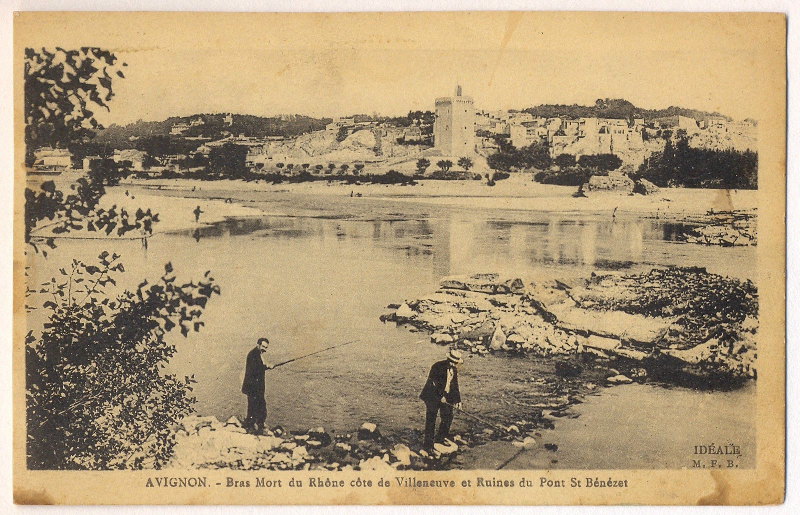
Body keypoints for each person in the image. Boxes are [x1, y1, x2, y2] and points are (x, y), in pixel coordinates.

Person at [419, 349, 463, 449]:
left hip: (445, 396)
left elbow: (455, 386)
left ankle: (441, 438)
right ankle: (428, 444)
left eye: (455, 363)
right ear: (448, 359)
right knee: (431, 419)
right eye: (452, 361)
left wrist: (458, 401)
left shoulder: (454, 370)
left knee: (448, 416)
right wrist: (440, 396)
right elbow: (434, 383)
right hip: (432, 396)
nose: (453, 364)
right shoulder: (437, 367)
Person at [241, 337, 273, 434]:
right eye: (263, 346)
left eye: (266, 347)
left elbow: (259, 366)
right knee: (256, 406)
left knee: (257, 406)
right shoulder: (253, 354)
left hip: (255, 387)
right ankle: (253, 426)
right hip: (253, 387)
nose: (264, 349)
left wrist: (266, 366)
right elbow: (257, 369)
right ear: (258, 344)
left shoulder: (257, 353)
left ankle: (256, 425)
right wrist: (268, 366)